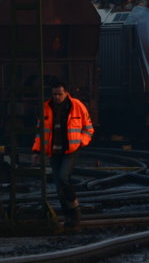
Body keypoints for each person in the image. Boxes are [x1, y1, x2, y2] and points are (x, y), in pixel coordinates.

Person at [31, 81, 94, 227]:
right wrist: (36, 151)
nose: (57, 97)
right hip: (54, 151)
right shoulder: (46, 108)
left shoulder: (76, 106)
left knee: (63, 178)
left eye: (60, 94)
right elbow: (40, 133)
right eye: (54, 94)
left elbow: (88, 128)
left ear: (66, 93)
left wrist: (80, 142)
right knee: (59, 186)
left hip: (70, 149)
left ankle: (75, 210)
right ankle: (69, 217)